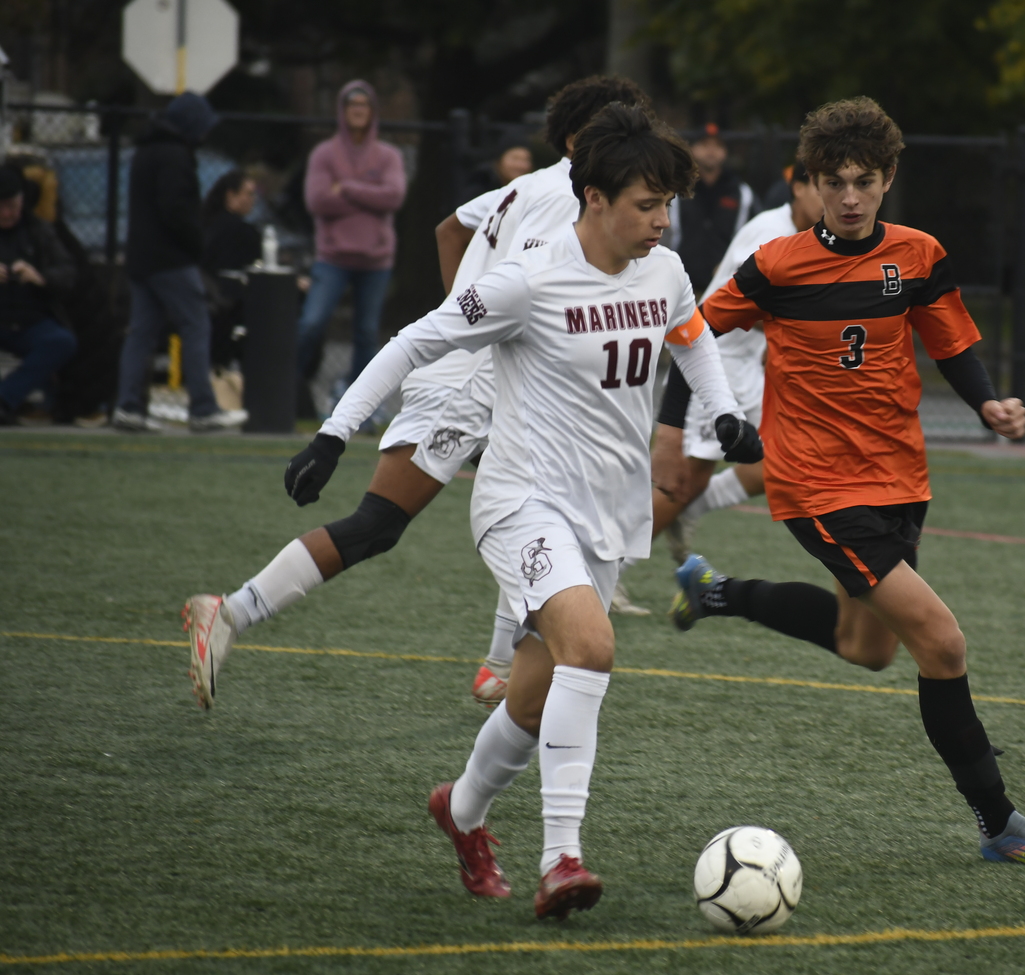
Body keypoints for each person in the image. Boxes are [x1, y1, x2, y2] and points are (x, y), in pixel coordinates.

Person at [285, 103, 756, 918]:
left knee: (535, 701)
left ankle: (459, 811)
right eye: (648, 204)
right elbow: (412, 341)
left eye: (666, 205)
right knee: (593, 646)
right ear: (596, 198)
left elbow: (693, 338)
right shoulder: (530, 279)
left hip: (607, 513)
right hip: (521, 502)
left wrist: (721, 415)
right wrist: (334, 432)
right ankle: (562, 860)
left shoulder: (666, 269)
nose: (661, 220)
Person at [670, 97, 1025, 867]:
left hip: (899, 476)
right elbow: (691, 330)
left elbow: (953, 344)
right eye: (833, 182)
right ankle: (1000, 825)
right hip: (817, 487)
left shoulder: (920, 255)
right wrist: (699, 423)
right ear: (810, 184)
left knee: (866, 647)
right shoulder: (775, 266)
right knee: (941, 641)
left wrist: (990, 402)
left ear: (888, 177)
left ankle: (715, 592)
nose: (849, 196)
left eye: (864, 180)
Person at [181, 75, 649, 712]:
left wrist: (468, 310)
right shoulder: (563, 197)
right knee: (378, 525)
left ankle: (497, 668)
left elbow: (448, 230)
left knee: (550, 505)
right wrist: (466, 329)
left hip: (500, 377)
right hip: (466, 384)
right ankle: (230, 611)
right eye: (615, 128)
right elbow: (527, 286)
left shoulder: (530, 188)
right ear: (577, 140)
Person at [653, 158, 828, 564]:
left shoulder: (807, 234)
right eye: (826, 186)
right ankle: (611, 572)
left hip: (748, 365)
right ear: (797, 187)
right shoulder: (771, 234)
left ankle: (689, 510)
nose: (837, 199)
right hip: (718, 364)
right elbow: (734, 311)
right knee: (685, 478)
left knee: (786, 460)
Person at [112, 93, 246, 433]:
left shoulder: (145, 151)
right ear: (191, 126)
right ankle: (202, 408)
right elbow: (176, 211)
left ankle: (128, 406)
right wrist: (195, 244)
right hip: (170, 258)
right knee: (196, 324)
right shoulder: (175, 156)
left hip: (141, 257)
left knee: (141, 332)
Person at [296, 81, 407, 402]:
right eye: (352, 106)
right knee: (311, 323)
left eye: (364, 106)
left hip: (376, 260)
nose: (358, 111)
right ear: (342, 112)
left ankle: (360, 404)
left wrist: (345, 187)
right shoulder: (324, 154)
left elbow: (394, 196)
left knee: (366, 334)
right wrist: (369, 195)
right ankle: (291, 391)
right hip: (332, 258)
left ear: (372, 113)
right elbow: (317, 201)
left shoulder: (388, 155)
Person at [0, 164, 76, 425]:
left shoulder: (38, 231)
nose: (6, 213)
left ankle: (5, 398)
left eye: (11, 206)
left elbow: (67, 272)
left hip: (30, 320)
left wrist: (41, 278)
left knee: (61, 341)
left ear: (22, 201)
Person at [666, 123, 757, 293]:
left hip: (726, 288)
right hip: (681, 287)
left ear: (725, 152)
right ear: (693, 149)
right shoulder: (677, 190)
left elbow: (751, 239)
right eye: (705, 145)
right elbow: (667, 236)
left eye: (717, 146)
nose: (711, 151)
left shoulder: (742, 193)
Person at [201, 169, 261, 367]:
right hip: (228, 311)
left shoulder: (205, 224)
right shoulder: (243, 233)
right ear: (231, 195)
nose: (253, 200)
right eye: (249, 193)